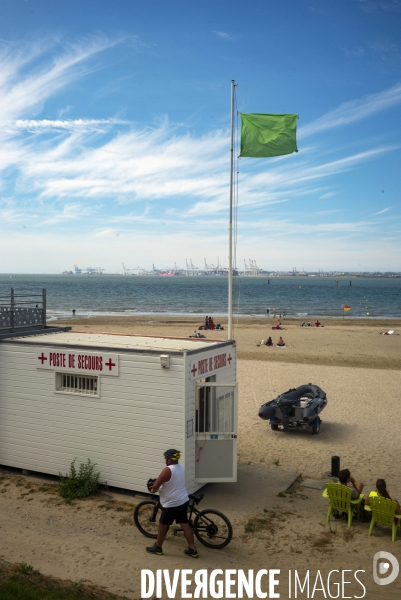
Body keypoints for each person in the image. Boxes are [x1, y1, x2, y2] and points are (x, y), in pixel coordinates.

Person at [146, 449, 198, 558]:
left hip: (171, 504)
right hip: (183, 501)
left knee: (163, 525)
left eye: (166, 458)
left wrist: (152, 490)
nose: (165, 459)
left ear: (169, 459)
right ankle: (192, 549)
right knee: (185, 524)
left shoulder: (167, 470)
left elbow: (156, 486)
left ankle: (158, 547)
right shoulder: (181, 467)